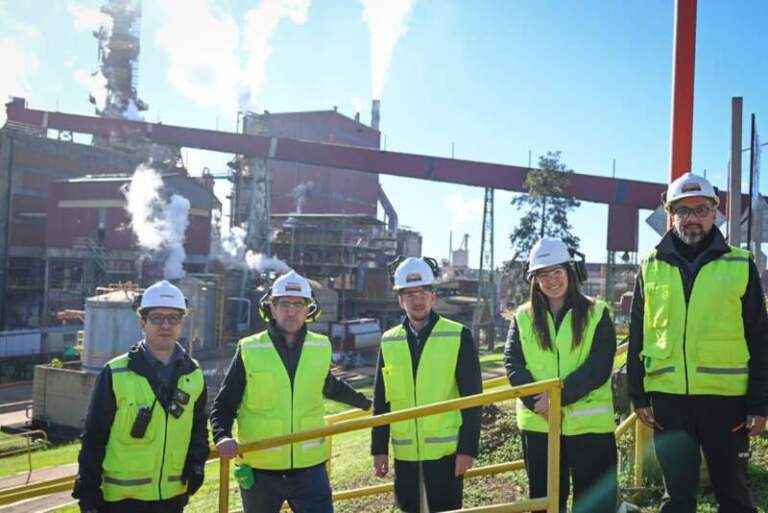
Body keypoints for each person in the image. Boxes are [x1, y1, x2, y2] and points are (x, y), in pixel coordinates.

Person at [628, 172, 768, 513]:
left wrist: (759, 402)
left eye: (701, 209)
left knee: (733, 495)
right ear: (670, 214)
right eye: (683, 210)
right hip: (669, 401)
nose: (692, 217)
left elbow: (760, 336)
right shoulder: (650, 266)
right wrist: (638, 393)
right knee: (676, 498)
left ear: (715, 213)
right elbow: (638, 333)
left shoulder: (740, 264)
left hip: (726, 403)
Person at [210, 270, 371, 513]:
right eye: (284, 304)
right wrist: (221, 436)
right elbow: (225, 403)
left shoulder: (320, 346)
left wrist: (368, 405)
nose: (291, 311)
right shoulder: (250, 349)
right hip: (261, 470)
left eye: (299, 304)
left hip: (311, 469)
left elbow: (330, 386)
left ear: (309, 310)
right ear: (272, 308)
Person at [72, 280, 209, 513]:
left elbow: (197, 429)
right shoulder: (116, 373)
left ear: (181, 324)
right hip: (121, 501)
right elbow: (94, 436)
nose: (165, 325)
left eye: (173, 318)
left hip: (171, 497)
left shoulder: (193, 373)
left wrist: (197, 464)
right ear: (142, 323)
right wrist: (88, 489)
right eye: (157, 318)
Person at [504, 238, 617, 513]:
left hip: (588, 426)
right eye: (544, 274)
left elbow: (599, 366)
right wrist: (537, 402)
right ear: (534, 279)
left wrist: (558, 398)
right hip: (540, 424)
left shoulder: (597, 313)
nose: (552, 280)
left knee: (593, 503)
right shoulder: (522, 317)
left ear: (570, 272)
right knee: (544, 503)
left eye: (557, 272)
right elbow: (512, 363)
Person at [371, 257, 482, 512]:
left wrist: (468, 449)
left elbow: (473, 399)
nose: (417, 300)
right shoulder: (389, 341)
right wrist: (379, 449)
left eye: (423, 292)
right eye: (409, 294)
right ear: (400, 300)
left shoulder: (458, 335)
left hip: (446, 454)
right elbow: (381, 400)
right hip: (405, 454)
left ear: (433, 296)